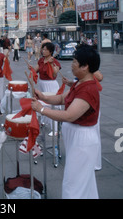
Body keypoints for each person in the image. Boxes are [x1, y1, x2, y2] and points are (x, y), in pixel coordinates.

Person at [31, 44, 101, 199]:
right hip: (76, 137)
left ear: (85, 66)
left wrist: (41, 110)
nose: (72, 65)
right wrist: (43, 97)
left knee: (73, 184)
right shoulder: (80, 82)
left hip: (83, 140)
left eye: (75, 62)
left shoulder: (89, 89)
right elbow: (63, 98)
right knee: (83, 182)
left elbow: (69, 115)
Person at [29, 42, 61, 134]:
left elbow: (55, 73)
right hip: (42, 83)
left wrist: (51, 64)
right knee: (42, 103)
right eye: (43, 49)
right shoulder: (41, 60)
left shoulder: (55, 62)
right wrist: (30, 69)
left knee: (52, 105)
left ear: (50, 51)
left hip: (51, 85)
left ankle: (55, 129)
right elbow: (35, 70)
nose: (43, 51)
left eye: (45, 49)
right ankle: (44, 121)